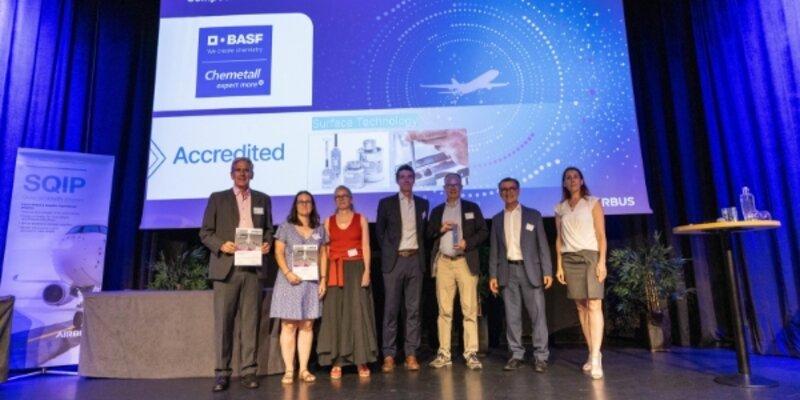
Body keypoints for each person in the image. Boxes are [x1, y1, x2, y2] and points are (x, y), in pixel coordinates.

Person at [200, 157, 273, 392]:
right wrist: (221, 245)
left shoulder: (263, 199)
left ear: (252, 174)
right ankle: (222, 373)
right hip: (226, 268)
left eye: (246, 170)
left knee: (250, 323)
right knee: (224, 324)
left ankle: (249, 371)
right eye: (238, 170)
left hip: (253, 268)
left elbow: (268, 230)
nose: (242, 174)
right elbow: (205, 232)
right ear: (231, 174)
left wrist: (267, 243)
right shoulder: (217, 198)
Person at [489, 177, 553, 373]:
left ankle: (541, 356)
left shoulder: (533, 215)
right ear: (500, 193)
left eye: (512, 188)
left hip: (530, 271)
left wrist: (547, 271)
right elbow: (494, 250)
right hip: (507, 271)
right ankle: (516, 354)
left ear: (518, 191)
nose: (508, 192)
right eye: (504, 189)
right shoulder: (497, 219)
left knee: (538, 316)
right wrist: (493, 275)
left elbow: (543, 245)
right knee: (512, 317)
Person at [427, 173, 488, 370]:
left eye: (456, 185)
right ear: (444, 188)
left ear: (461, 187)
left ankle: (471, 353)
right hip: (444, 263)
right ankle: (444, 353)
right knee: (444, 311)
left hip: (464, 262)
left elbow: (484, 232)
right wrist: (440, 229)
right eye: (449, 185)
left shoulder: (472, 208)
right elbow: (428, 233)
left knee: (469, 310)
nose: (452, 188)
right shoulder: (437, 211)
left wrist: (467, 242)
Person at [317, 185, 379, 379]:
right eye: (337, 196)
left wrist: (367, 271)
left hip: (357, 269)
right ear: (334, 200)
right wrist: (323, 277)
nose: (341, 199)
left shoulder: (361, 219)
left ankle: (361, 360)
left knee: (358, 313)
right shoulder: (328, 221)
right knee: (335, 313)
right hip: (335, 270)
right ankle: (337, 361)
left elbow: (366, 246)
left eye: (344, 196)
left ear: (351, 199)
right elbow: (325, 251)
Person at [554, 167, 607, 379]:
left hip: (591, 256)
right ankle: (593, 351)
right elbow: (559, 239)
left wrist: (602, 262)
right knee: (581, 306)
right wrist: (559, 266)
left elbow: (601, 235)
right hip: (570, 258)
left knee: (594, 304)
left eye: (575, 177)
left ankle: (595, 358)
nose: (572, 180)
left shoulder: (592, 202)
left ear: (582, 180)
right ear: (564, 183)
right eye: (568, 178)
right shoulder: (560, 208)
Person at [375, 164, 429, 372]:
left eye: (409, 176)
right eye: (402, 177)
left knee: (413, 311)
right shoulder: (386, 203)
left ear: (414, 179)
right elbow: (379, 232)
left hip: (415, 261)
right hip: (394, 262)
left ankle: (411, 354)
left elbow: (424, 233)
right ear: (397, 180)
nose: (406, 180)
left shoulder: (423, 203)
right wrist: (390, 252)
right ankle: (389, 355)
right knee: (391, 310)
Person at [269, 191, 327, 384]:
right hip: (290, 281)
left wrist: (323, 279)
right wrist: (288, 273)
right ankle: (289, 370)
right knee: (289, 325)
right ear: (295, 205)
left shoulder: (319, 229)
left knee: (307, 325)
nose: (304, 204)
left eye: (308, 201)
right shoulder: (285, 227)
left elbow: (323, 255)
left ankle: (303, 369)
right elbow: (278, 252)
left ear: (313, 205)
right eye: (301, 201)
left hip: (311, 283)